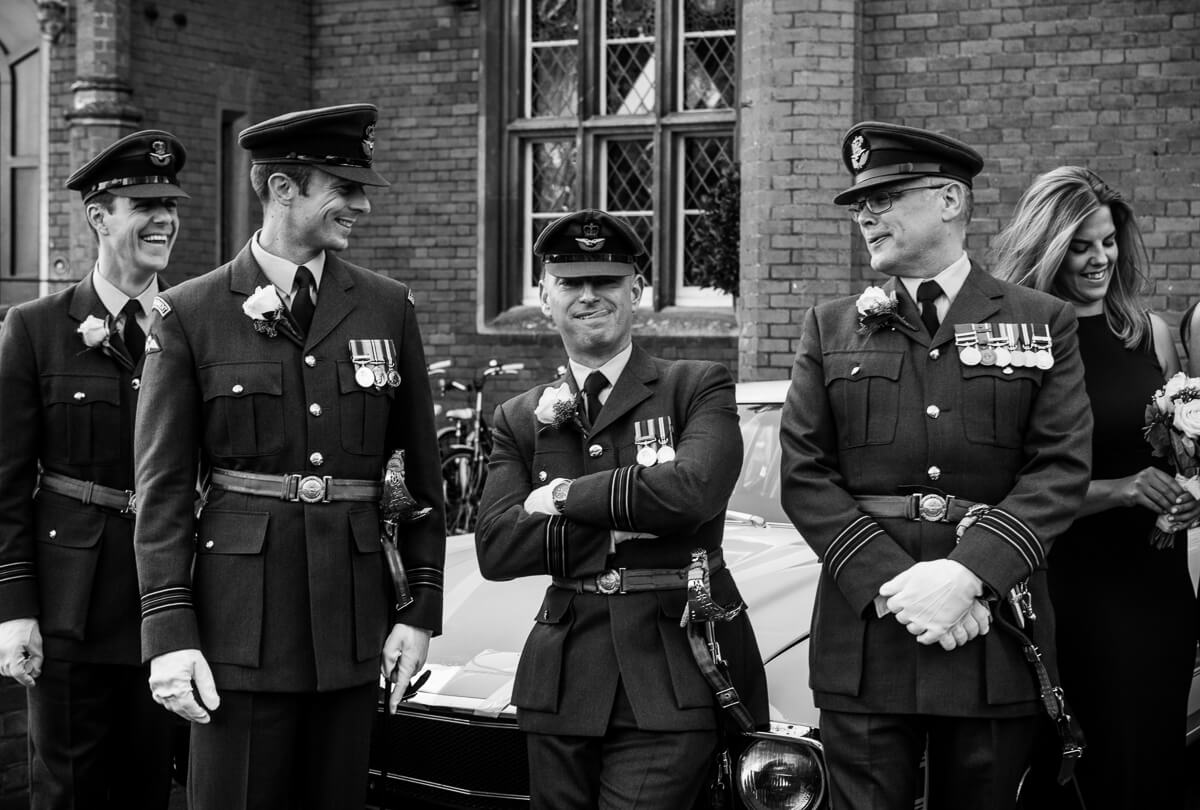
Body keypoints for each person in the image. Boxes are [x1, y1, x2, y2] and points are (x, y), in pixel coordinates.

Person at [131, 103, 446, 810]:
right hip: (237, 635)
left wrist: (419, 611)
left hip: (353, 630)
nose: (360, 204)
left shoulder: (386, 307)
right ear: (282, 188)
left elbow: (419, 478)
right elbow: (162, 492)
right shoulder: (191, 314)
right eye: (343, 186)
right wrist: (170, 635)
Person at [779, 122, 1094, 810]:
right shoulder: (830, 326)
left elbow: (1060, 468)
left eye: (886, 195)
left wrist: (964, 576)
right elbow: (804, 473)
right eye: (860, 202)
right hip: (868, 633)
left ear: (950, 200)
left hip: (989, 632)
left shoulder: (1042, 321)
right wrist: (898, 585)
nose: (866, 213)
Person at [474, 209, 768, 809]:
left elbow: (693, 492)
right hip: (561, 678)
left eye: (606, 281)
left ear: (636, 291)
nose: (589, 296)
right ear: (544, 298)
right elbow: (497, 546)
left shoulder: (696, 386)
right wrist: (616, 533)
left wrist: (560, 498)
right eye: (571, 283)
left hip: (671, 667)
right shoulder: (519, 417)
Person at [993, 165, 1199, 810]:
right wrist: (1119, 491)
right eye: (1081, 245)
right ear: (1048, 247)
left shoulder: (1149, 335)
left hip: (1155, 585)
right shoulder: (1015, 344)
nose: (1099, 258)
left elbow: (1172, 454)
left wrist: (1188, 493)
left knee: (1153, 757)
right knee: (1082, 769)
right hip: (1066, 588)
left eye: (1107, 241)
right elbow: (1006, 488)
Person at [0, 130, 188, 809]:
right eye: (144, 203)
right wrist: (14, 611)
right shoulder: (36, 328)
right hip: (70, 606)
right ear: (99, 216)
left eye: (170, 202)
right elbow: (6, 485)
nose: (164, 217)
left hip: (167, 604)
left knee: (151, 790)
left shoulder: (195, 322)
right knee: (68, 792)